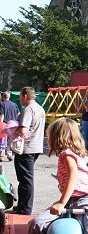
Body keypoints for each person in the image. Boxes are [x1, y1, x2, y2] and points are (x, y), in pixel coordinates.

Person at [13, 87, 45, 215]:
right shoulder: (39, 108)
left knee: (25, 180)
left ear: (25, 95)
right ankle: (22, 206)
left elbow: (23, 130)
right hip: (36, 147)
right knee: (26, 179)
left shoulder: (28, 109)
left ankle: (25, 209)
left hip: (27, 148)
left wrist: (11, 130)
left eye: (20, 96)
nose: (19, 99)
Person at [0, 90, 20, 161]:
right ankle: (10, 155)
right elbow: (18, 114)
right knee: (9, 141)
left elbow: (2, 115)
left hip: (5, 125)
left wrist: (0, 124)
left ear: (3, 97)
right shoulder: (14, 104)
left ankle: (1, 156)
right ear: (9, 97)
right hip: (13, 126)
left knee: (2, 140)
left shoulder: (2, 104)